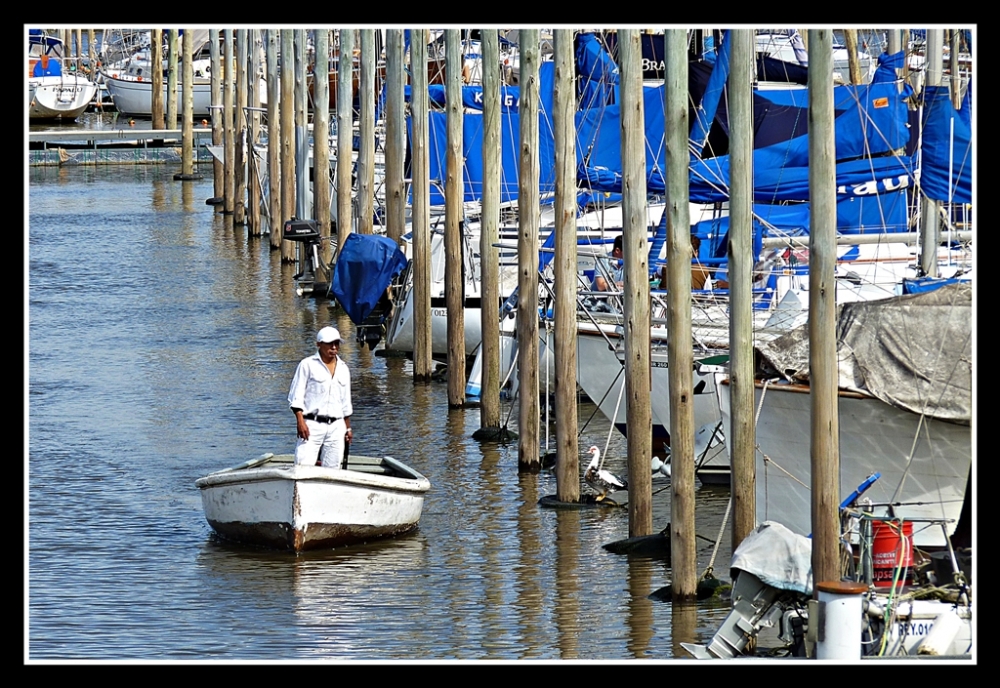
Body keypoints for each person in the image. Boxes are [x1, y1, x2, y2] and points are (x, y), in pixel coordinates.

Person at [288, 326, 354, 468]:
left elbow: (345, 402)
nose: (334, 347)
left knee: (333, 469)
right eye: (330, 343)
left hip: (337, 426)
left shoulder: (344, 368)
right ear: (319, 344)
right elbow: (296, 396)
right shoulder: (307, 365)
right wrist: (300, 421)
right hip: (312, 424)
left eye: (336, 343)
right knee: (303, 466)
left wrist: (347, 429)